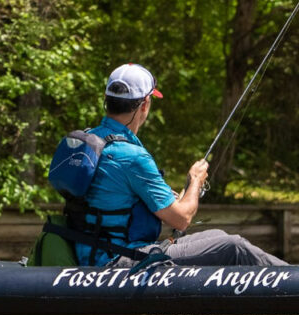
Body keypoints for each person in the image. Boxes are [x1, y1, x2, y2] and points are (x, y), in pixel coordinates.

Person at [64, 63, 287, 268]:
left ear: (107, 99)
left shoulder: (89, 141)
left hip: (94, 251)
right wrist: (196, 181)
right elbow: (181, 219)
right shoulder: (131, 156)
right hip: (118, 259)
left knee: (217, 234)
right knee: (233, 246)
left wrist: (185, 190)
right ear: (145, 104)